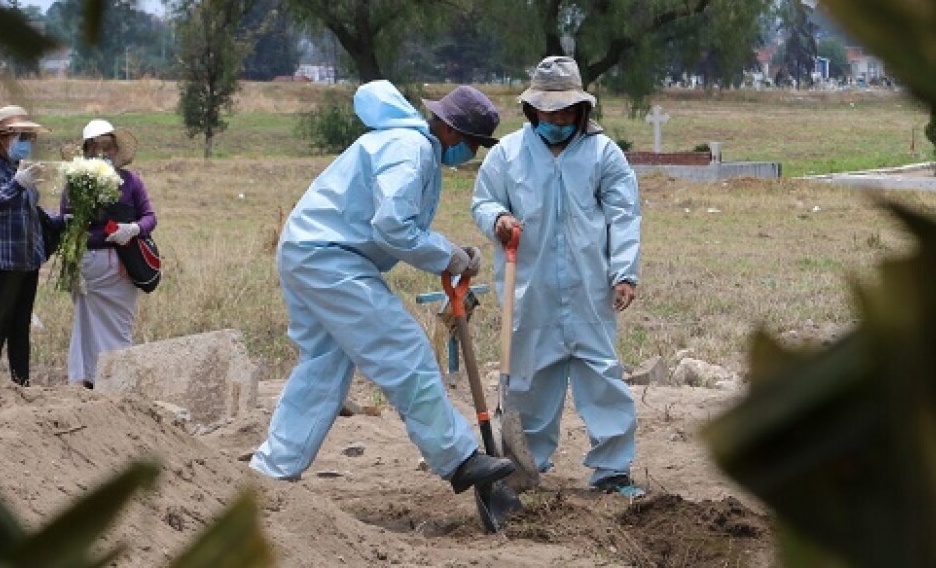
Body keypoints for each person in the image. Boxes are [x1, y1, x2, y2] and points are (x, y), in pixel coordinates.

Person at [250, 81, 515, 495]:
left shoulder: (403, 144)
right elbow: (392, 226)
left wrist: (449, 251)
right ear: (450, 130)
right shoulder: (410, 150)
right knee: (403, 349)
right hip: (330, 258)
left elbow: (397, 222)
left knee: (323, 365)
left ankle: (271, 472)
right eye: (473, 144)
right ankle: (459, 459)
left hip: (307, 250)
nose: (472, 155)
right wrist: (447, 256)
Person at [470, 56, 645, 498]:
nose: (559, 120)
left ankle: (612, 470)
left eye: (567, 112)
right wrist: (499, 219)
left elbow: (624, 215)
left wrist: (625, 273)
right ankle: (526, 467)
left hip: (589, 287)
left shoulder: (604, 153)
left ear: (582, 110)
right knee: (528, 381)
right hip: (529, 287)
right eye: (550, 113)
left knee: (601, 375)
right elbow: (483, 201)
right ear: (533, 111)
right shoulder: (508, 154)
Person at [0, 105, 60, 390]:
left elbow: (29, 211)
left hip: (25, 260)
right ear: (1, 138)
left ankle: (22, 387)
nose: (26, 143)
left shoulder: (20, 169)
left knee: (20, 327)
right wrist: (17, 185)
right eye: (20, 136)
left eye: (28, 137)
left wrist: (60, 222)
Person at [63, 119, 157, 388]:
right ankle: (86, 379)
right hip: (89, 266)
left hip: (123, 267)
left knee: (119, 326)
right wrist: (93, 237)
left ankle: (118, 380)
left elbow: (150, 216)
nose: (104, 153)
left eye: (109, 147)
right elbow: (67, 221)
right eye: (96, 147)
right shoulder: (76, 184)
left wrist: (134, 228)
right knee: (86, 326)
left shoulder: (131, 181)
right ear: (87, 151)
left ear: (116, 149)